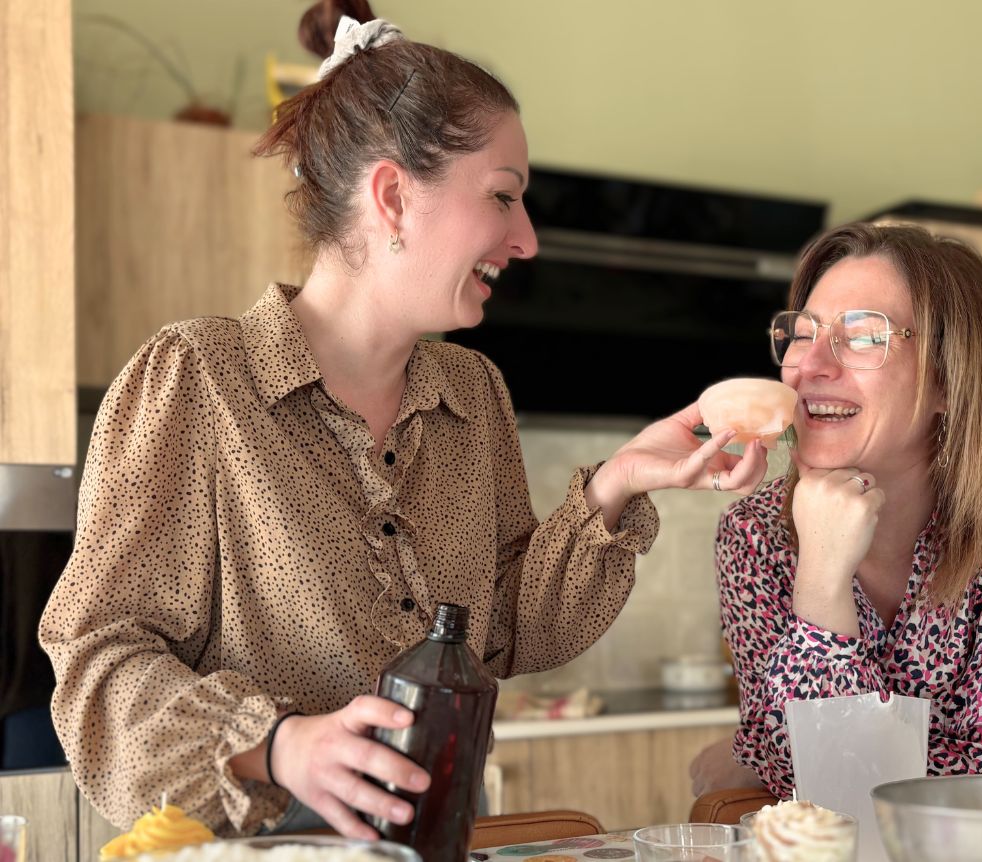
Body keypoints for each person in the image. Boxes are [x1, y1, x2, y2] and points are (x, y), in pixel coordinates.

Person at [39, 2, 768, 840]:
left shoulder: (473, 394)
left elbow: (509, 633)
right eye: (503, 197)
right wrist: (278, 746)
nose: (526, 240)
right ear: (392, 195)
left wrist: (620, 480)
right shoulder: (197, 382)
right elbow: (97, 669)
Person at [689, 222, 982, 801]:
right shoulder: (754, 533)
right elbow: (811, 786)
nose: (809, 364)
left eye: (862, 337)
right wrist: (821, 579)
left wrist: (760, 748)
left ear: (947, 379)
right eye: (802, 333)